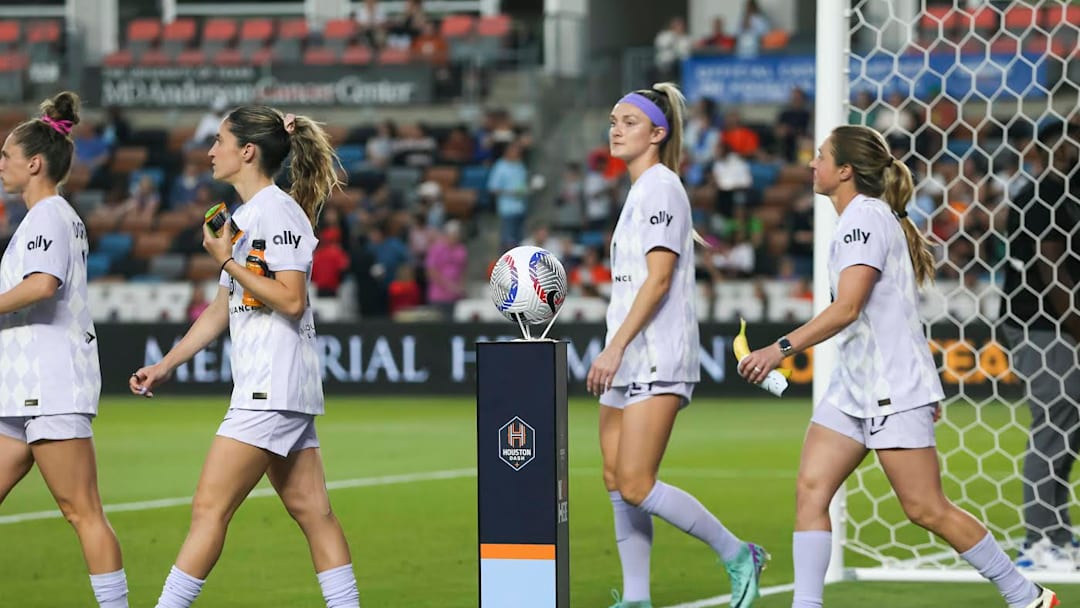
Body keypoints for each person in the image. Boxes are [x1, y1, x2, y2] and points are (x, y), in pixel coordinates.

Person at [735, 125, 1056, 608]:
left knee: (925, 508)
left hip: (891, 387)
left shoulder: (864, 219)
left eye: (821, 155)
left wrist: (778, 349)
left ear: (845, 170)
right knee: (812, 489)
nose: (812, 163)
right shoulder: (861, 218)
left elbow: (848, 308)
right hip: (854, 386)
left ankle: (1027, 596)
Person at [129, 106, 361, 608]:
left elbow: (292, 299)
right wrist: (166, 364)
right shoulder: (248, 216)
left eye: (219, 141)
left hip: (269, 387)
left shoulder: (277, 212)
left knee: (209, 509)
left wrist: (227, 260)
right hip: (277, 386)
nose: (211, 151)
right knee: (313, 512)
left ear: (247, 151)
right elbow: (221, 309)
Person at [586, 83, 767, 608]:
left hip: (655, 354)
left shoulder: (661, 188)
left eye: (629, 122)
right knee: (615, 479)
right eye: (613, 121)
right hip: (627, 355)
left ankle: (738, 553)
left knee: (636, 483)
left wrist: (615, 347)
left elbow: (660, 279)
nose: (616, 130)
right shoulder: (640, 190)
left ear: (657, 134)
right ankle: (637, 598)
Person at [0, 91, 129, 608]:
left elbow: (42, 284)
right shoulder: (45, 217)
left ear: (34, 163)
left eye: (6, 156)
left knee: (83, 512)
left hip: (49, 385)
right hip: (22, 387)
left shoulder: (49, 216)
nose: (1, 164)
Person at [1000, 121, 1080, 572]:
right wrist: (1078, 327)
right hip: (1040, 325)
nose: (1070, 151)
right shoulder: (1039, 197)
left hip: (1059, 327)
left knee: (1067, 429)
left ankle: (1058, 534)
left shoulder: (1067, 194)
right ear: (1042, 151)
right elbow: (1052, 272)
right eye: (1062, 144)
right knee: (1054, 423)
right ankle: (1037, 540)